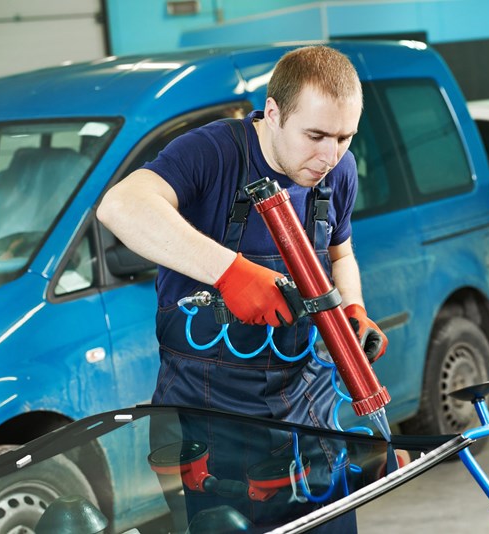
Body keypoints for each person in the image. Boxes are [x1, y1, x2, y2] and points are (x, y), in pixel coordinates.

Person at [97, 45, 387, 531]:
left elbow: (341, 253)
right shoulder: (212, 153)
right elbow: (120, 207)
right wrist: (230, 272)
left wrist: (352, 308)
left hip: (306, 418)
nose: (329, 155)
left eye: (344, 137)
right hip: (209, 425)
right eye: (315, 135)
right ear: (272, 113)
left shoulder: (339, 170)